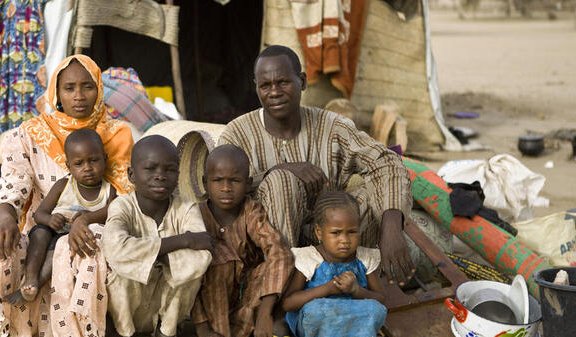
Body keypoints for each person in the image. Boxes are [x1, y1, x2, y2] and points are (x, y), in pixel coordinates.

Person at [219, 45, 414, 285]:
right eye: (265, 86)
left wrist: (392, 227)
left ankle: (353, 276)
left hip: (331, 241)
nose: (275, 92)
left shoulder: (331, 127)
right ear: (256, 87)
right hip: (270, 250)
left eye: (283, 82)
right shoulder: (236, 135)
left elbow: (386, 161)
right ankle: (283, 289)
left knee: (374, 193)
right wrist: (278, 172)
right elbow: (219, 194)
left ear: (301, 81)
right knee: (282, 182)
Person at [0, 54, 133, 337]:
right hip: (44, 232)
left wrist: (83, 222)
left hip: (96, 228)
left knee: (85, 245)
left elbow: (123, 199)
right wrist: (6, 219)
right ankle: (14, 328)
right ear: (56, 92)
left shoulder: (116, 134)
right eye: (69, 88)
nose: (79, 96)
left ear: (99, 89)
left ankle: (88, 327)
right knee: (0, 244)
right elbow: (13, 185)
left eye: (87, 86)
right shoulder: (31, 133)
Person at [102, 135, 214, 337]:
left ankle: (167, 331)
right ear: (131, 174)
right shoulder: (122, 205)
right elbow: (115, 249)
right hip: (129, 309)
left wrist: (148, 257)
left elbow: (202, 256)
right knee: (120, 274)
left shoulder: (186, 208)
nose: (160, 175)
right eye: (150, 168)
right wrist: (183, 241)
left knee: (190, 274)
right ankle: (125, 333)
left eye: (170, 170)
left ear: (178, 174)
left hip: (166, 308)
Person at [6, 129, 118, 305]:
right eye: (79, 164)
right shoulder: (63, 185)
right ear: (69, 166)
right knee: (40, 234)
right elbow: (39, 214)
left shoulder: (109, 191)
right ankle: (30, 279)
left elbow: (113, 213)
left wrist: (90, 217)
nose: (87, 168)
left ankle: (33, 286)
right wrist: (50, 220)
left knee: (59, 251)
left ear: (105, 159)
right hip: (53, 232)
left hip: (75, 241)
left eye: (94, 160)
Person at [191, 145, 294, 337]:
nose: (226, 188)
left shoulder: (251, 211)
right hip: (209, 299)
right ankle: (214, 331)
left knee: (273, 264)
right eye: (218, 180)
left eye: (235, 181)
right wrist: (201, 327)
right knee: (214, 262)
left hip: (247, 296)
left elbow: (279, 252)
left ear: (247, 184)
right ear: (205, 183)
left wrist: (265, 312)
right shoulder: (195, 215)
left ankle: (248, 328)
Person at [281, 191, 386, 337]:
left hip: (355, 320)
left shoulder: (365, 258)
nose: (345, 240)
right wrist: (327, 289)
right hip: (318, 325)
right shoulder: (309, 258)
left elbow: (381, 300)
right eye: (336, 233)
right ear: (319, 232)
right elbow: (288, 303)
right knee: (315, 310)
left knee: (376, 309)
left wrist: (356, 291)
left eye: (352, 232)